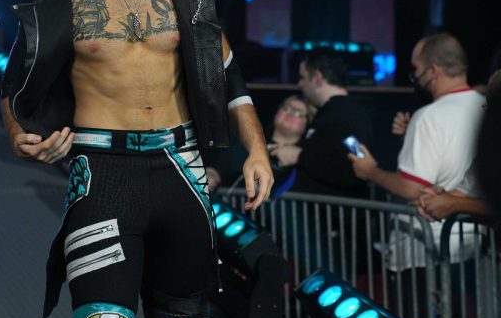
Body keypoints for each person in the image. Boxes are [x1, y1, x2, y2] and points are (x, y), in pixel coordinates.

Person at [0, 0, 273, 318]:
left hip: (182, 172)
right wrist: (19, 135)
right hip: (102, 176)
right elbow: (12, 86)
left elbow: (227, 74)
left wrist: (256, 149)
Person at [348, 33, 485, 270]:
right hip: (472, 239)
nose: (415, 76)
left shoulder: (429, 117)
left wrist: (370, 171)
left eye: (416, 68)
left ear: (433, 71)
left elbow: (412, 188)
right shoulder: (485, 107)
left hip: (426, 245)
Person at [271, 48, 373, 198]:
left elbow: (355, 167)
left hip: (337, 211)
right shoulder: (330, 113)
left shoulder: (348, 115)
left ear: (317, 78)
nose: (299, 84)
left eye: (303, 77)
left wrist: (299, 156)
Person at [415, 69, 500, 221]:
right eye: (490, 109)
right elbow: (465, 192)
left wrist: (455, 204)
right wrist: (437, 198)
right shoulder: (490, 149)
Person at [206, 95, 316, 196]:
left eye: (299, 113)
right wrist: (211, 175)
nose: (290, 114)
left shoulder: (307, 157)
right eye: (286, 108)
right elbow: (220, 167)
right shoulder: (251, 143)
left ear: (308, 124)